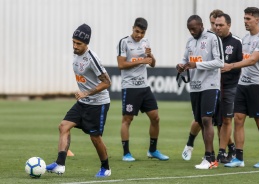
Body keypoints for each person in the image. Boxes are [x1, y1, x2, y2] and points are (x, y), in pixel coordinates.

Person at [46, 24, 112, 177]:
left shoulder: (92, 59)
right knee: (63, 126)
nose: (75, 46)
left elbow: (107, 82)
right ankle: (60, 164)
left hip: (98, 103)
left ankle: (106, 168)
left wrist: (86, 92)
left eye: (79, 44)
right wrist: (84, 95)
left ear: (86, 43)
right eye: (73, 42)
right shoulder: (76, 54)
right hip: (83, 102)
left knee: (95, 137)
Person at [223, 7, 259, 168]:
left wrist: (231, 66)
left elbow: (252, 60)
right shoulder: (244, 38)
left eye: (248, 19)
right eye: (244, 19)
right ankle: (239, 158)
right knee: (238, 119)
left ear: (257, 20)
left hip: (258, 85)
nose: (245, 22)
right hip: (242, 85)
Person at [117, 17, 169, 162]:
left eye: (142, 33)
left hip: (144, 87)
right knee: (127, 119)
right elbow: (121, 65)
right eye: (137, 31)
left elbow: (152, 64)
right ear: (133, 28)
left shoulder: (146, 42)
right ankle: (126, 153)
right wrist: (141, 60)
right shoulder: (124, 42)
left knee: (155, 118)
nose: (139, 35)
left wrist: (150, 56)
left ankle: (152, 150)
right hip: (130, 87)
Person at [177, 15, 224, 169]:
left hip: (210, 85)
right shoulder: (190, 42)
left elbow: (219, 62)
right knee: (202, 122)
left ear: (201, 25)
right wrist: (181, 66)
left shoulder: (212, 38)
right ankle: (208, 157)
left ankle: (209, 159)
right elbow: (186, 60)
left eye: (194, 28)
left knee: (206, 120)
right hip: (195, 86)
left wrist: (196, 65)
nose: (191, 32)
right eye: (189, 29)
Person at [214, 13, 242, 163]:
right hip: (212, 87)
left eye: (221, 25)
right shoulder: (212, 40)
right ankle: (229, 149)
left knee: (226, 120)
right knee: (215, 121)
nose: (217, 28)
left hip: (230, 87)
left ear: (229, 25)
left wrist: (229, 68)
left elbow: (243, 65)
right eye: (216, 25)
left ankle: (221, 152)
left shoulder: (237, 42)